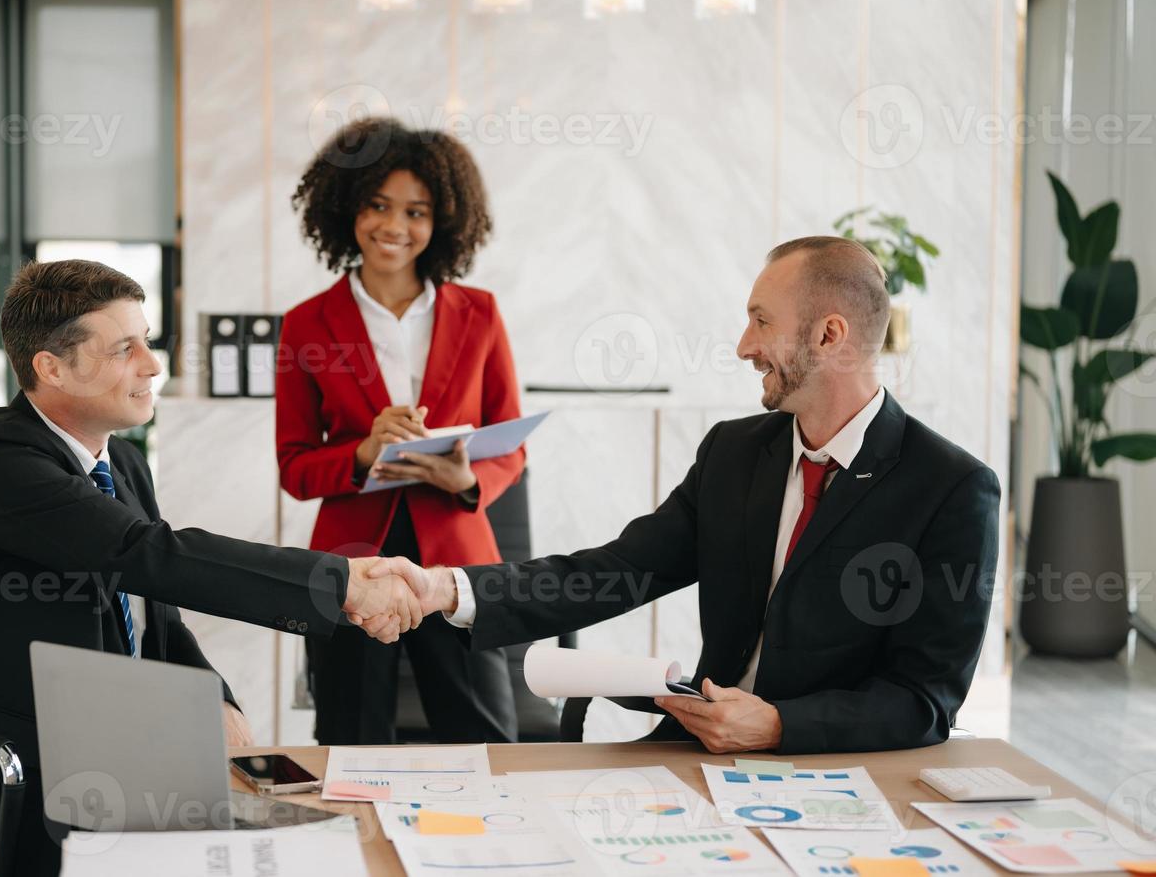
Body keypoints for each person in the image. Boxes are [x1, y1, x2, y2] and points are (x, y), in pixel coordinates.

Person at [0, 259, 420, 877]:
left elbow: (154, 602)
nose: (152, 364)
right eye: (123, 348)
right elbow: (144, 555)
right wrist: (343, 583)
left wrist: (210, 694)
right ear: (50, 367)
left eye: (147, 339)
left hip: (110, 750)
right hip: (9, 778)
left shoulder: (124, 463)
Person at [380, 236, 1001, 755]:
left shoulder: (951, 488)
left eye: (762, 320)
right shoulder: (732, 454)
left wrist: (781, 725)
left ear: (829, 335)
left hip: (834, 771)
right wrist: (446, 590)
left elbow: (925, 699)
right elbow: (612, 573)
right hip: (692, 754)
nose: (743, 345)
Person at [276, 117, 524, 745]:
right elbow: (296, 468)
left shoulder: (481, 313)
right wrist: (363, 451)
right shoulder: (307, 325)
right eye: (378, 205)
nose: (395, 226)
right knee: (351, 744)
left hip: (459, 558)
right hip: (354, 563)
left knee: (485, 743)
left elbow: (511, 443)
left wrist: (466, 478)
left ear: (442, 220)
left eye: (416, 211)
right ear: (345, 209)